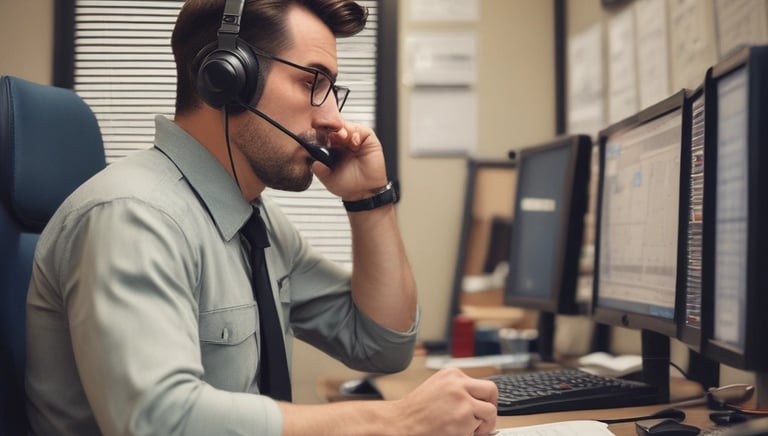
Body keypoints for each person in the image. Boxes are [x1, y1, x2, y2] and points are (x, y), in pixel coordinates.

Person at [25, 0, 498, 435]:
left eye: (332, 90)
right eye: (312, 83)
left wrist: (369, 200)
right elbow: (159, 422)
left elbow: (382, 345)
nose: (333, 119)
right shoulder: (133, 216)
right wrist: (397, 420)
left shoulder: (258, 225)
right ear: (226, 77)